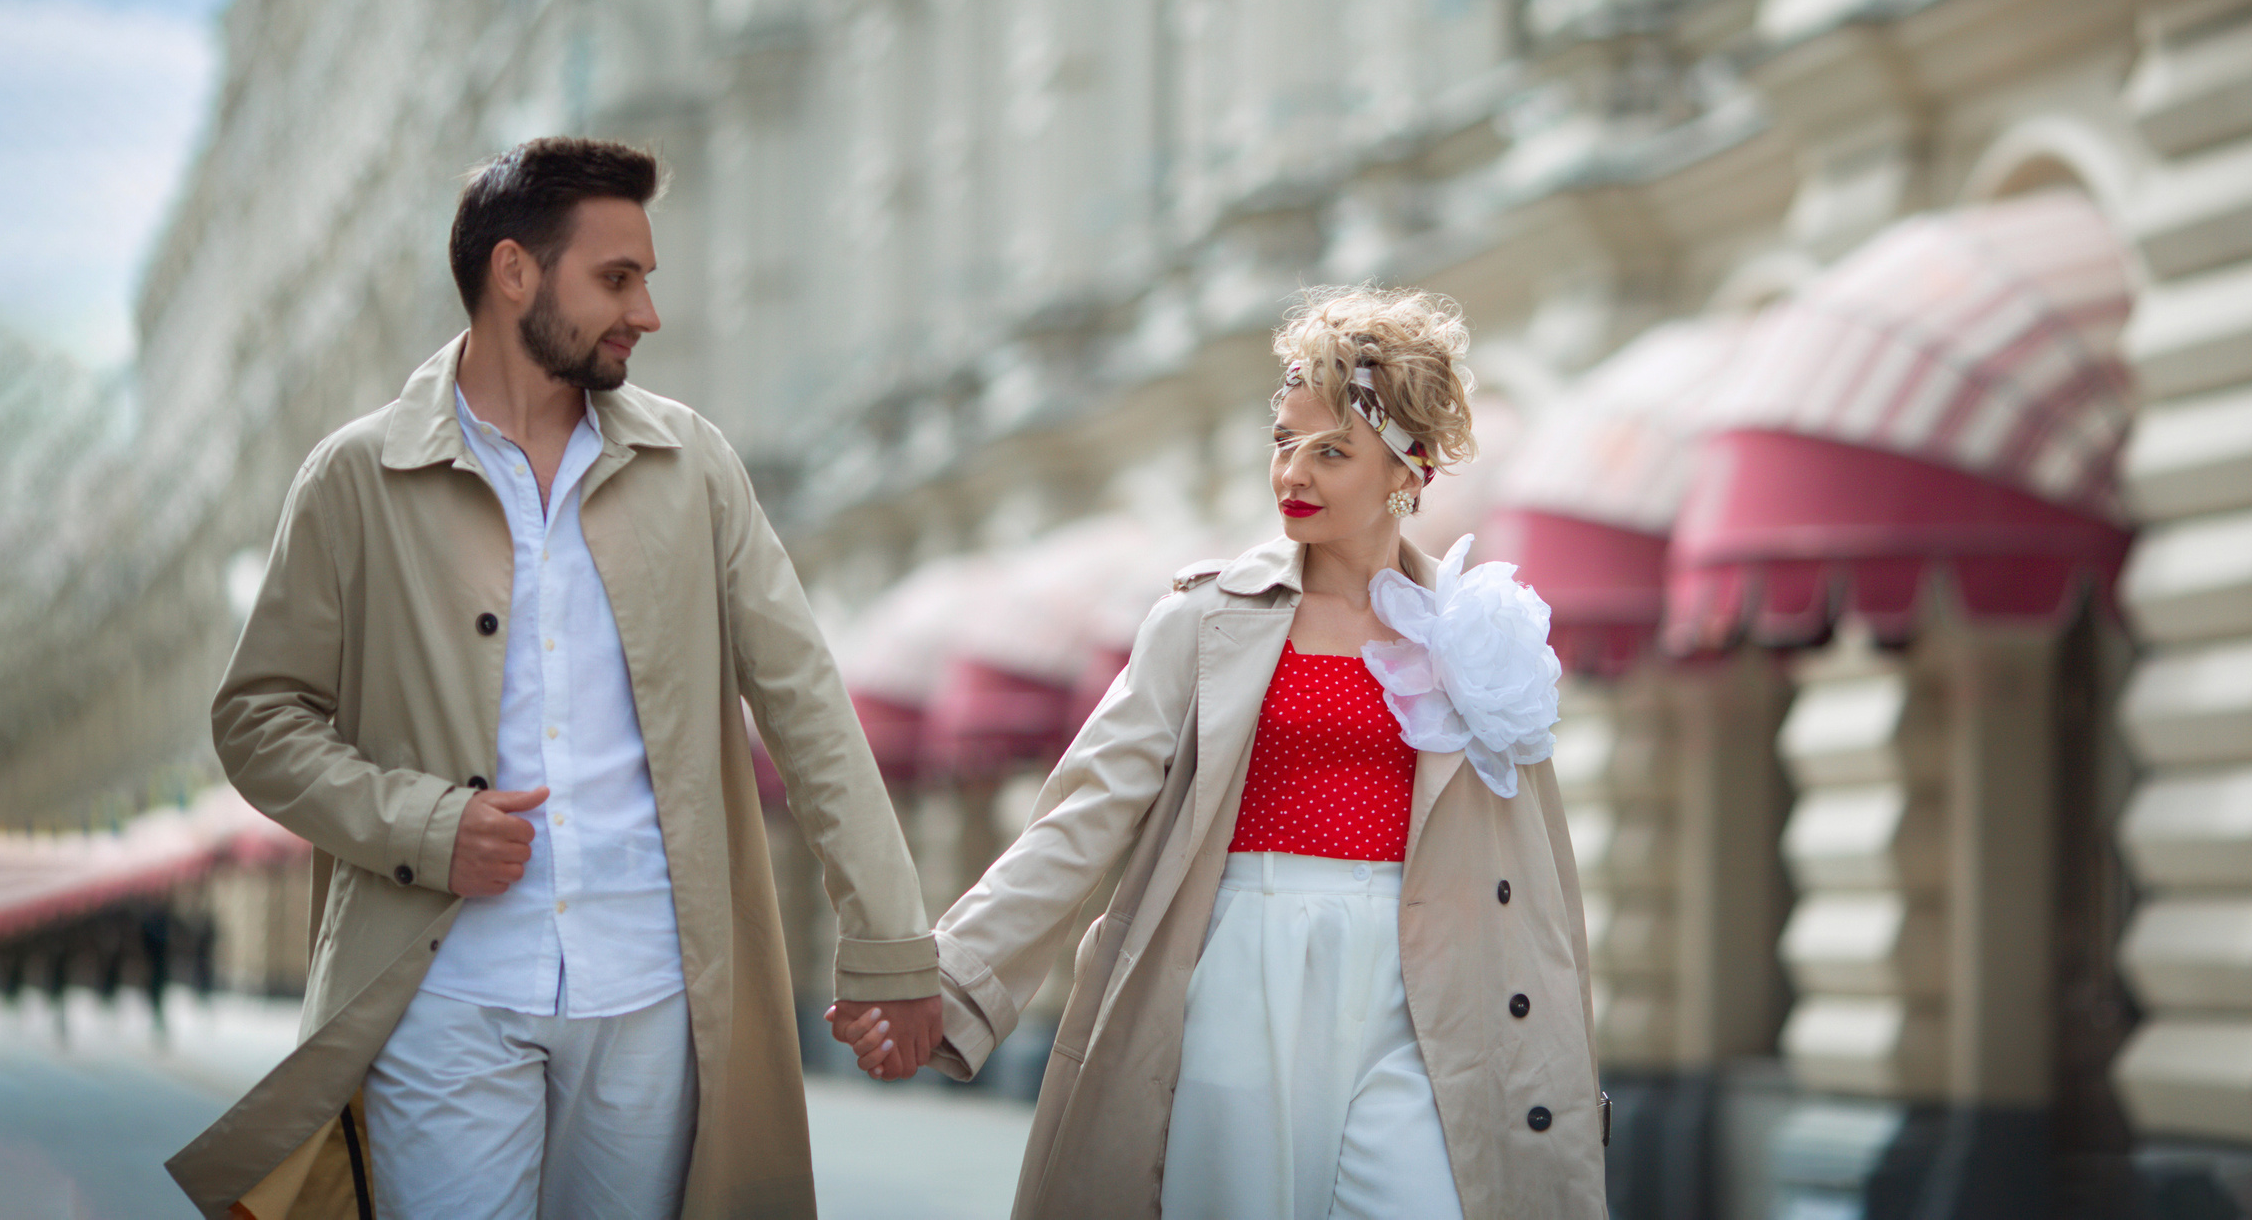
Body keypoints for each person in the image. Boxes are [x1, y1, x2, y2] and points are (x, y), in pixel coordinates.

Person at [169, 138, 941, 1220]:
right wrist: (428, 824)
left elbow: (806, 704)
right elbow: (259, 719)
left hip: (653, 990)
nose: (647, 313)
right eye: (616, 278)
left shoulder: (693, 466)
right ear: (514, 273)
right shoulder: (357, 476)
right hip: (442, 991)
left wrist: (891, 944)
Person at [839, 285, 1605, 1220]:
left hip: (1428, 991)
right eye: (1285, 439)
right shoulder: (1206, 622)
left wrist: (1564, 1061)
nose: (1296, 471)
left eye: (1332, 450)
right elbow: (1080, 818)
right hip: (1241, 967)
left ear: (1410, 472)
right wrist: (944, 976)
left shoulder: (1478, 636)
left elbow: (1541, 876)